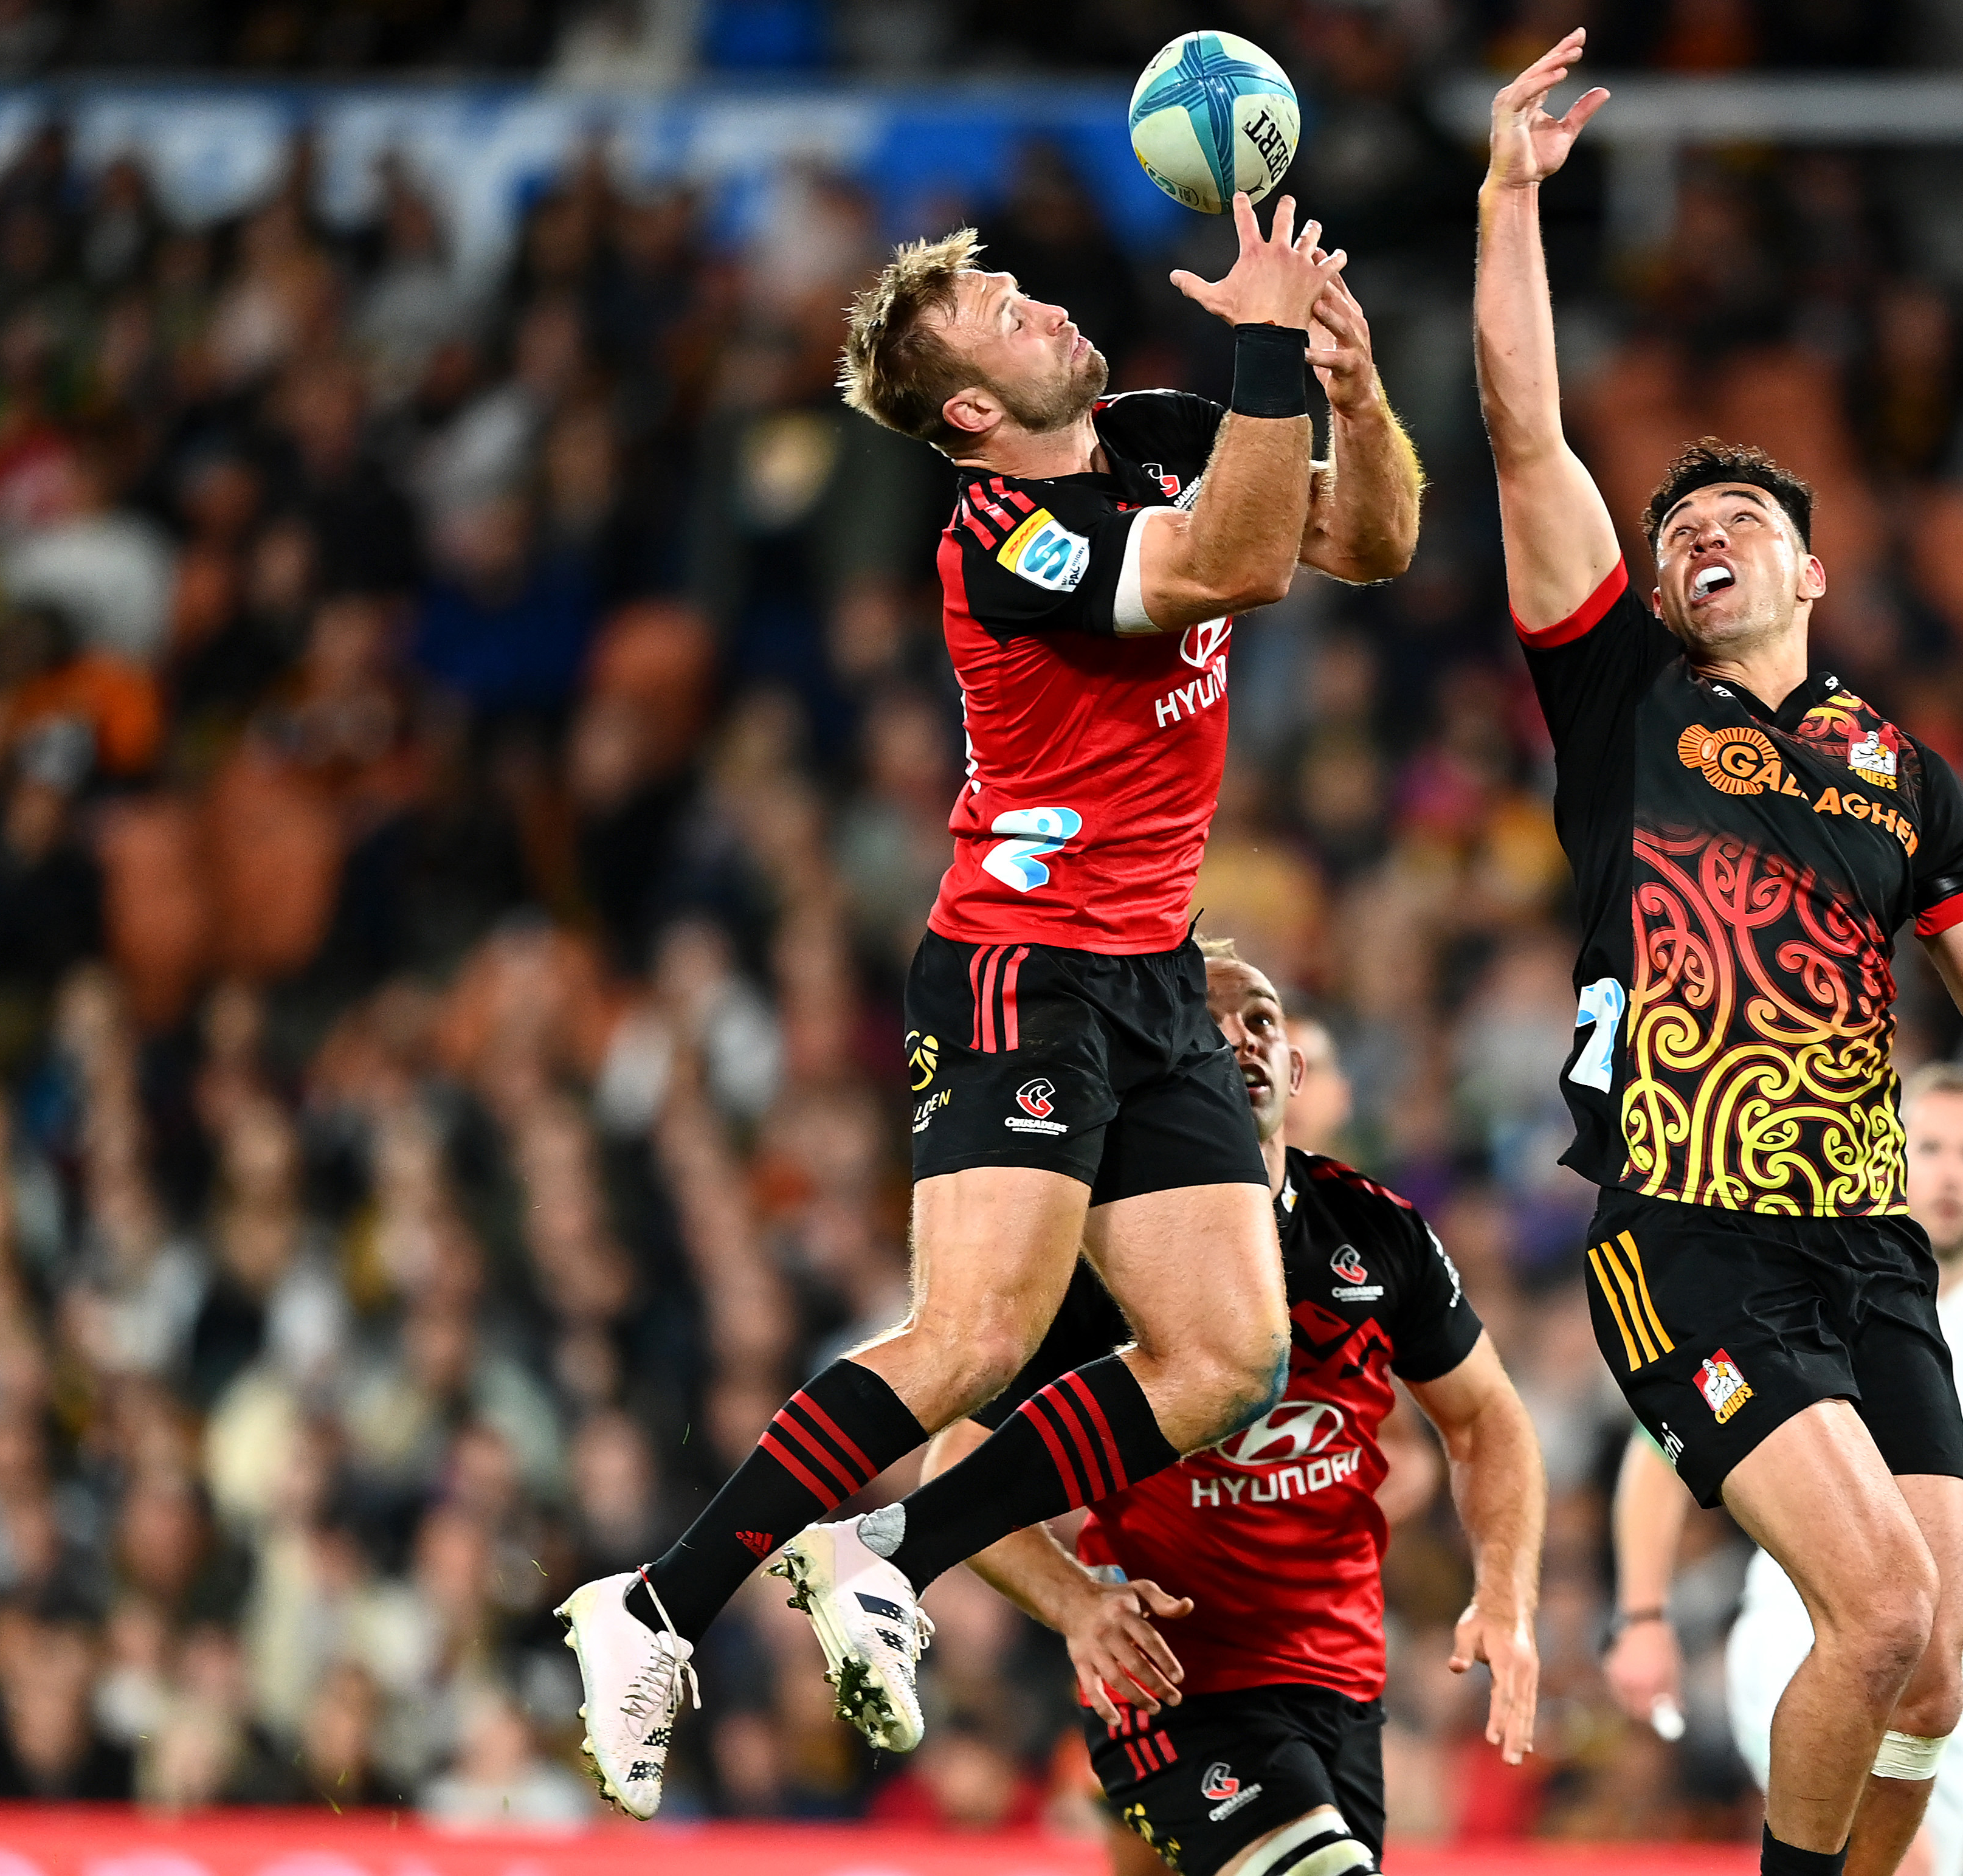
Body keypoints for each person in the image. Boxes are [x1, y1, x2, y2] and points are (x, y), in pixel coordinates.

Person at [554, 195, 1425, 1819]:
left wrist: (1352, 393)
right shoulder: (1001, 542)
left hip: (1150, 963)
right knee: (973, 1339)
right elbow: (1230, 561)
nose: (1033, 304)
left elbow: (1366, 544)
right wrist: (1258, 347)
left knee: (1230, 1350)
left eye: (1018, 284)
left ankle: (879, 1546)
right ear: (966, 413)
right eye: (995, 311)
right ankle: (656, 1606)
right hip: (1018, 962)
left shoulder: (1157, 433)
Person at [1476, 32, 1963, 1876]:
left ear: (1812, 572)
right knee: (1885, 1617)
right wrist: (1510, 199)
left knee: (1933, 1674)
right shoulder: (1621, 700)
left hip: (1864, 1234)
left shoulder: (1898, 771)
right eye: (1682, 528)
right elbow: (1526, 431)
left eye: (1742, 516)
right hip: (1688, 1219)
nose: (1703, 531)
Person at [905, 939, 1544, 1876]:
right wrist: (1076, 1604)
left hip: (1341, 1684)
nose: (1241, 1040)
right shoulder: (1097, 1258)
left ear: (1293, 1066)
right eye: (1209, 1023)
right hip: (1172, 1693)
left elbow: (1485, 1417)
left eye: (1262, 1021)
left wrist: (1504, 1595)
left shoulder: (1377, 1230)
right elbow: (952, 1464)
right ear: (1159, 1057)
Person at [1606, 1069, 1963, 1876]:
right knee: (1903, 1859)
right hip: (1804, 1626)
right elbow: (1658, 1451)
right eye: (1928, 1147)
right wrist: (1642, 1615)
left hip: (1951, 1663)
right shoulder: (1808, 1295)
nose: (1950, 1171)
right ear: (1884, 1156)